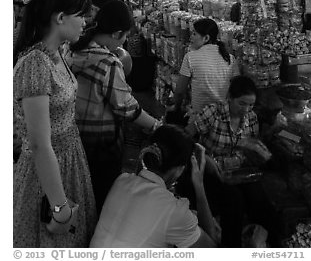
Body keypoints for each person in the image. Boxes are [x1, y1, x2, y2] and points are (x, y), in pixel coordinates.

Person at [13, 0, 97, 247]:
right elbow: (39, 144)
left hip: (68, 160)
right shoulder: (35, 63)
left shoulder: (57, 52)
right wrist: (59, 208)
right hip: (46, 173)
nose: (85, 22)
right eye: (80, 15)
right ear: (60, 18)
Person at [70, 0, 161, 212]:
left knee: (83, 193)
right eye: (125, 36)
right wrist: (156, 125)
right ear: (115, 33)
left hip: (76, 139)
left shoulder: (74, 50)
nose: (124, 42)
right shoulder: (107, 62)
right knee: (103, 198)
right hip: (102, 146)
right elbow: (127, 107)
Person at [182, 75, 279, 247]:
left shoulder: (251, 118)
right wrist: (205, 158)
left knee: (260, 200)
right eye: (242, 103)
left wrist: (258, 150)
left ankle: (272, 245)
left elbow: (252, 144)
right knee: (234, 201)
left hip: (239, 171)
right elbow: (186, 137)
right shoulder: (213, 112)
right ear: (230, 98)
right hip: (213, 171)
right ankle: (230, 248)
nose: (246, 109)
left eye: (250, 105)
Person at [90, 124, 218, 248]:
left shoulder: (122, 180)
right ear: (180, 169)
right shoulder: (174, 211)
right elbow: (211, 250)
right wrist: (199, 186)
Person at [170, 18, 239, 124]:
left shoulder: (190, 57)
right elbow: (235, 90)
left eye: (194, 34)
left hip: (199, 118)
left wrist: (176, 108)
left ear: (206, 38)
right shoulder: (230, 58)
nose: (190, 37)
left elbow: (179, 91)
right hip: (224, 117)